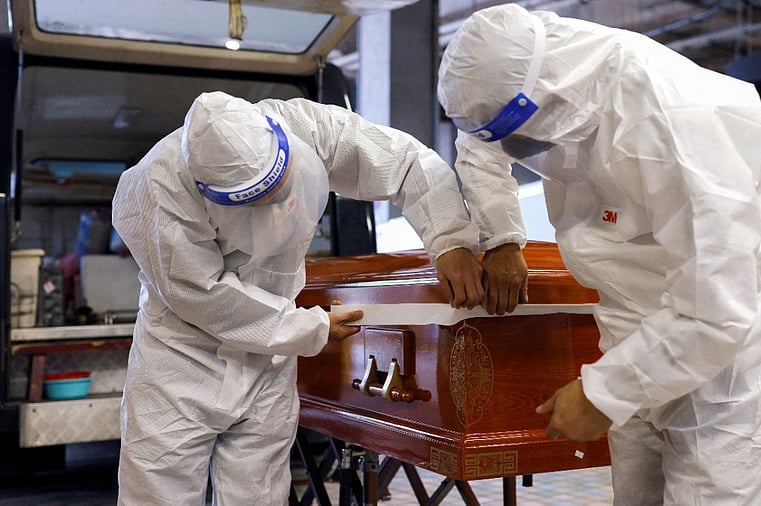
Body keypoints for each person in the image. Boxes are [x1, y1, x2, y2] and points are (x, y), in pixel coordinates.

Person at [437, 4, 761, 505]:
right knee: (637, 491)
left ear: (545, 93)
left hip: (724, 343)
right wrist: (501, 237)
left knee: (714, 493)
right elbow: (479, 143)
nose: (516, 147)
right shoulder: (528, 88)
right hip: (629, 317)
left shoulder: (680, 123)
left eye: (515, 131)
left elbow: (716, 307)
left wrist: (604, 393)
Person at [111, 91, 486, 505]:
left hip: (268, 364)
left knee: (260, 497)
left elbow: (405, 161)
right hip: (181, 363)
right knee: (159, 494)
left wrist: (450, 241)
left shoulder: (308, 127)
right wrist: (310, 327)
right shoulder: (152, 187)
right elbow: (205, 296)